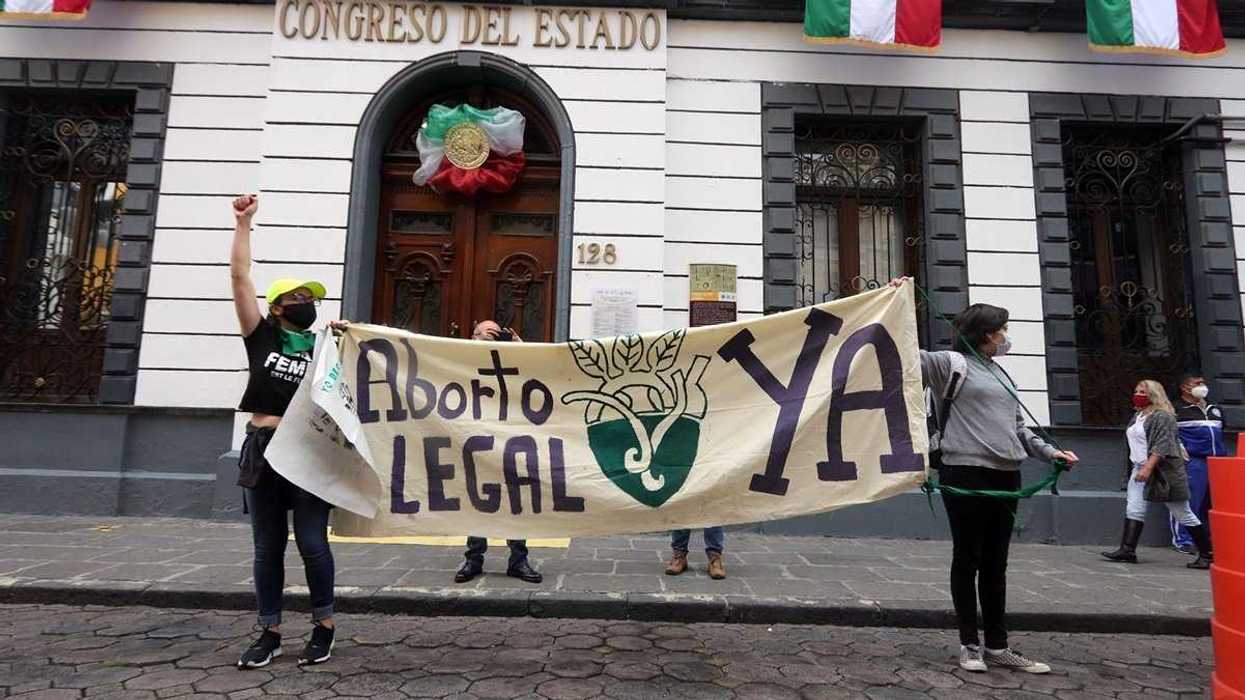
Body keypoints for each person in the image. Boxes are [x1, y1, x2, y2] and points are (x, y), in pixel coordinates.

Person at [890, 278, 1079, 674]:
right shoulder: (951, 365)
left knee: (996, 563)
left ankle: (998, 646)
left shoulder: (1002, 375)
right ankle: (969, 645)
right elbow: (905, 354)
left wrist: (1051, 453)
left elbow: (1020, 429)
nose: (1006, 337)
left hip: (1006, 476)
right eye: (1002, 330)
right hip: (965, 474)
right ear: (987, 334)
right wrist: (899, 299)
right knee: (968, 558)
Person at [230, 194, 341, 669]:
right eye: (298, 299)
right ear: (276, 307)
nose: (307, 305)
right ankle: (269, 630)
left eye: (312, 299)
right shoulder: (261, 334)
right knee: (267, 546)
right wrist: (243, 224)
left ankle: (324, 626)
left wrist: (345, 338)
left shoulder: (323, 345)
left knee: (313, 542)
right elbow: (239, 278)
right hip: (263, 448)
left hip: (307, 451)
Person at [453, 320, 543, 585]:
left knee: (516, 499)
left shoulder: (513, 354)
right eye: (485, 333)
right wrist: (479, 346)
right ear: (473, 335)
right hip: (478, 439)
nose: (492, 337)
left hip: (511, 439)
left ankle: (518, 560)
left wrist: (518, 347)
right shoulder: (458, 355)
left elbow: (541, 375)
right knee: (478, 498)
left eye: (496, 333)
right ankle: (473, 558)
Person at [1101, 380, 1214, 570]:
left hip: (1162, 471)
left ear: (1154, 394)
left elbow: (1162, 444)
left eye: (1143, 392)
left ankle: (1207, 553)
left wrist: (1148, 467)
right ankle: (1127, 550)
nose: (1138, 394)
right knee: (1134, 507)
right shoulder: (1138, 415)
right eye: (1136, 391)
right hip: (1139, 467)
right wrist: (1140, 468)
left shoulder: (1163, 416)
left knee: (1181, 511)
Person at [1170, 373, 1226, 555]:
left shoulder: (1213, 408)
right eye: (1197, 383)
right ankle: (1183, 540)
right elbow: (1171, 435)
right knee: (1189, 501)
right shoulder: (1176, 409)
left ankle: (1207, 539)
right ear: (1185, 388)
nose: (1202, 386)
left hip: (1217, 461)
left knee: (1211, 503)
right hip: (1193, 461)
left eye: (1203, 382)